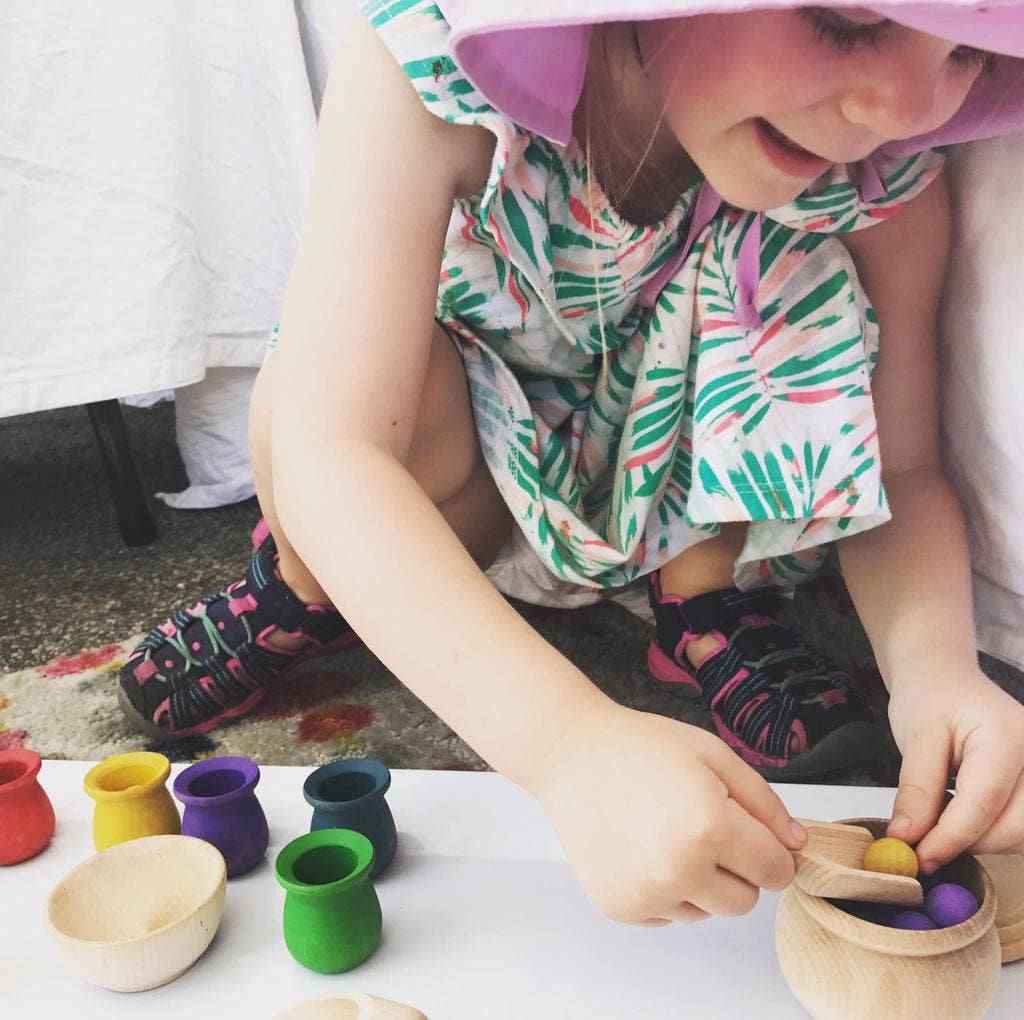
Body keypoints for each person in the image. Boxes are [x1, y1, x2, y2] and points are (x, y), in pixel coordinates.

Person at [118, 1, 1024, 926]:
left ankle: (704, 603)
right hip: (464, 487)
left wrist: (936, 667)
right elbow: (331, 445)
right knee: (309, 398)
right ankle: (308, 589)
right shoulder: (429, 73)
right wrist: (568, 746)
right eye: (842, 22)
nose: (909, 108)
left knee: (793, 270)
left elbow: (902, 468)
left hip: (664, 500)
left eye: (964, 51)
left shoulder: (886, 172)